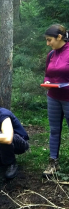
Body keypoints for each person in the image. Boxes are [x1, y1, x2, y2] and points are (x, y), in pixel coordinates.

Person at [42, 24, 69, 177]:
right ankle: (53, 163)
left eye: (49, 40)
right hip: (53, 97)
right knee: (54, 130)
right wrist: (47, 82)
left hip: (68, 97)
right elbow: (48, 73)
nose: (48, 43)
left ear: (59, 37)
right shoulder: (51, 54)